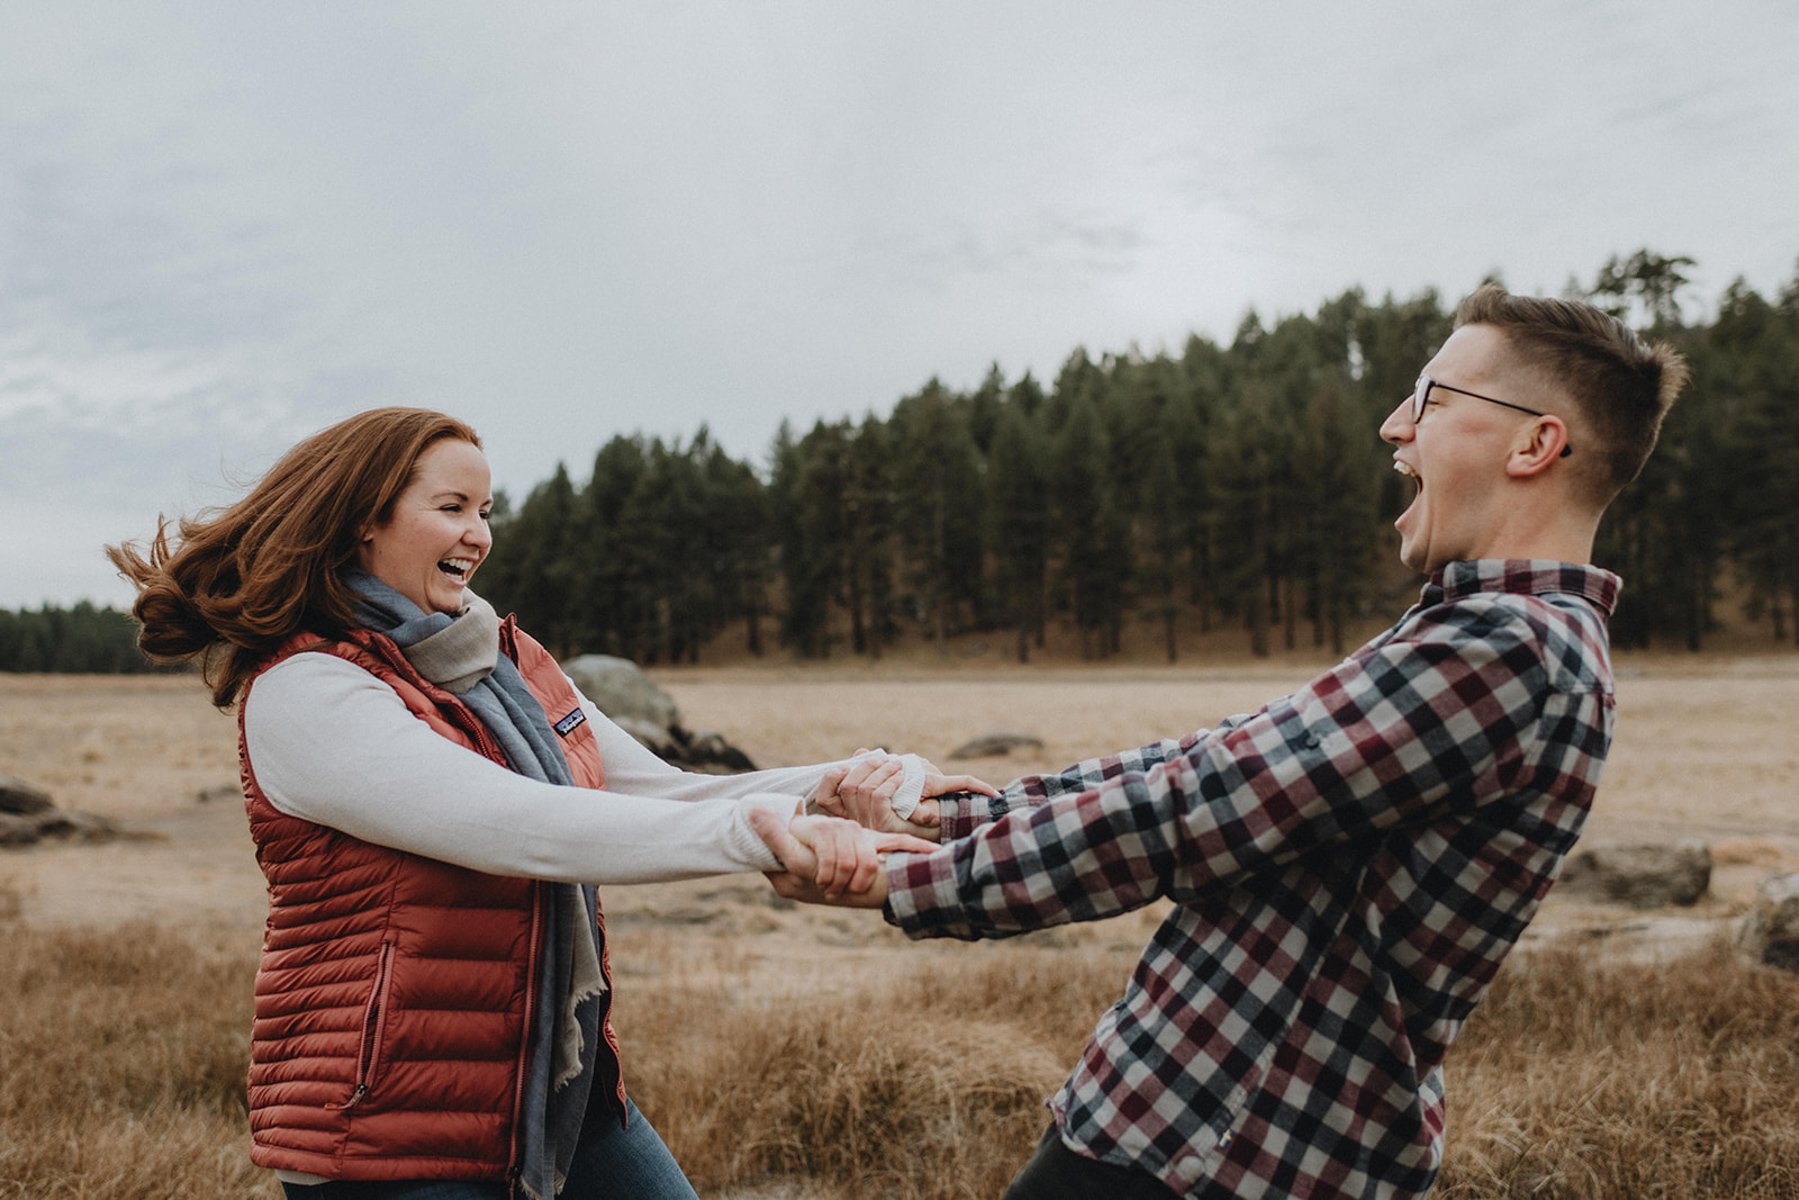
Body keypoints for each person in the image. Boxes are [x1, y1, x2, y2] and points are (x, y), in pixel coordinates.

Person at [752, 285, 1691, 1199]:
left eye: (1432, 399)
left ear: (1536, 442)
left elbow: (1196, 814)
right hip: (1189, 1128)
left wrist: (898, 877)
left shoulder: (1510, 650)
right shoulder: (1477, 630)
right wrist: (959, 816)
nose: (1393, 426)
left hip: (1227, 1146)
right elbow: (1213, 764)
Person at [107, 407, 961, 1200]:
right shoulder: (306, 690)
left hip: (552, 1081)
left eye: (487, 509)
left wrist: (860, 784)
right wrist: (764, 839)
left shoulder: (500, 663)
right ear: (364, 517)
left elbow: (661, 787)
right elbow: (517, 827)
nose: (478, 535)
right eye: (453, 506)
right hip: (390, 1125)